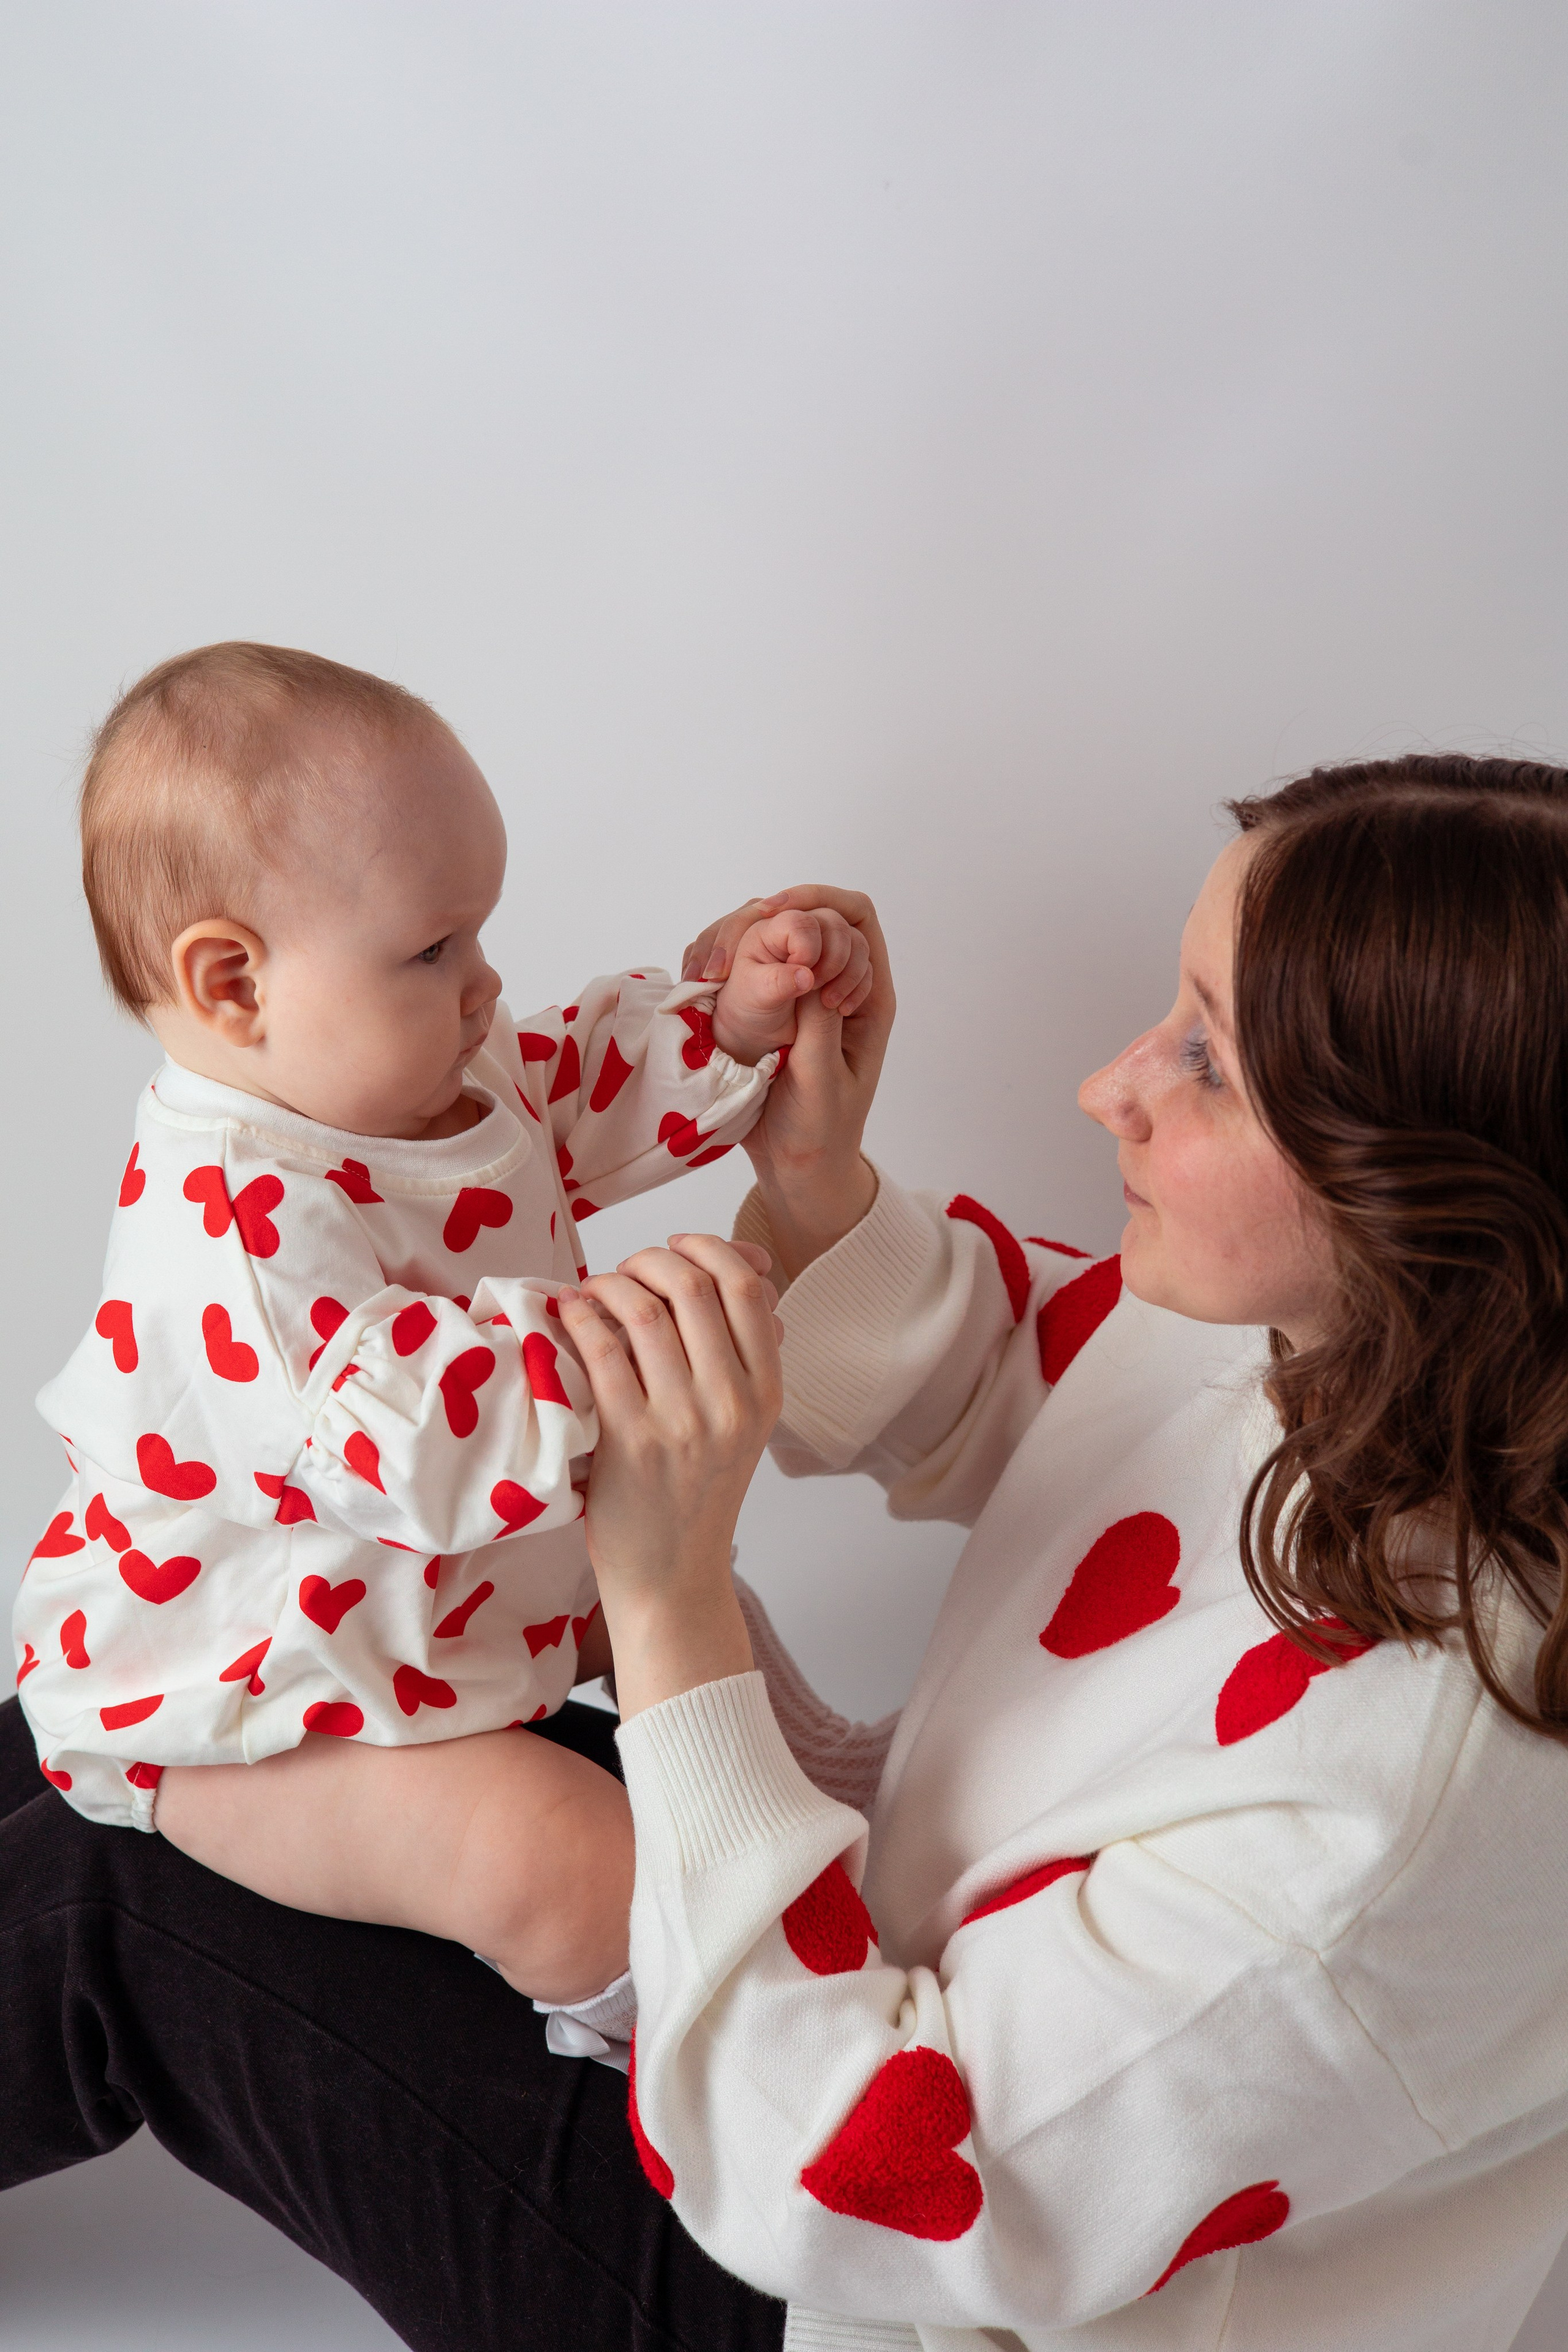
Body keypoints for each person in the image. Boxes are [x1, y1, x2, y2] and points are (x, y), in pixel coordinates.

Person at [8, 756, 1568, 2352]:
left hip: (821, 2273)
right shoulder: (1399, 1354)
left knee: (115, 1874)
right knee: (195, 1678)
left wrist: (672, 1602)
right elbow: (1066, 1393)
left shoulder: (1382, 1838)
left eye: (1209, 1063)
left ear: (1439, 1191)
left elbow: (861, 2185)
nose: (1112, 1087)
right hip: (838, 2027)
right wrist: (816, 1194)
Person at [13, 638, 872, 2038]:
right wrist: (618, 1339)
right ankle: (727, 2054)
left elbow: (559, 1093)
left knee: (667, 1613)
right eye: (432, 948)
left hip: (434, 1604)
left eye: (475, 933)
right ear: (233, 985)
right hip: (264, 1695)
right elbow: (402, 1439)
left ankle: (817, 1784)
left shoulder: (425, 1072)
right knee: (549, 1859)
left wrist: (727, 1023)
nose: (483, 986)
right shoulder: (227, 1230)